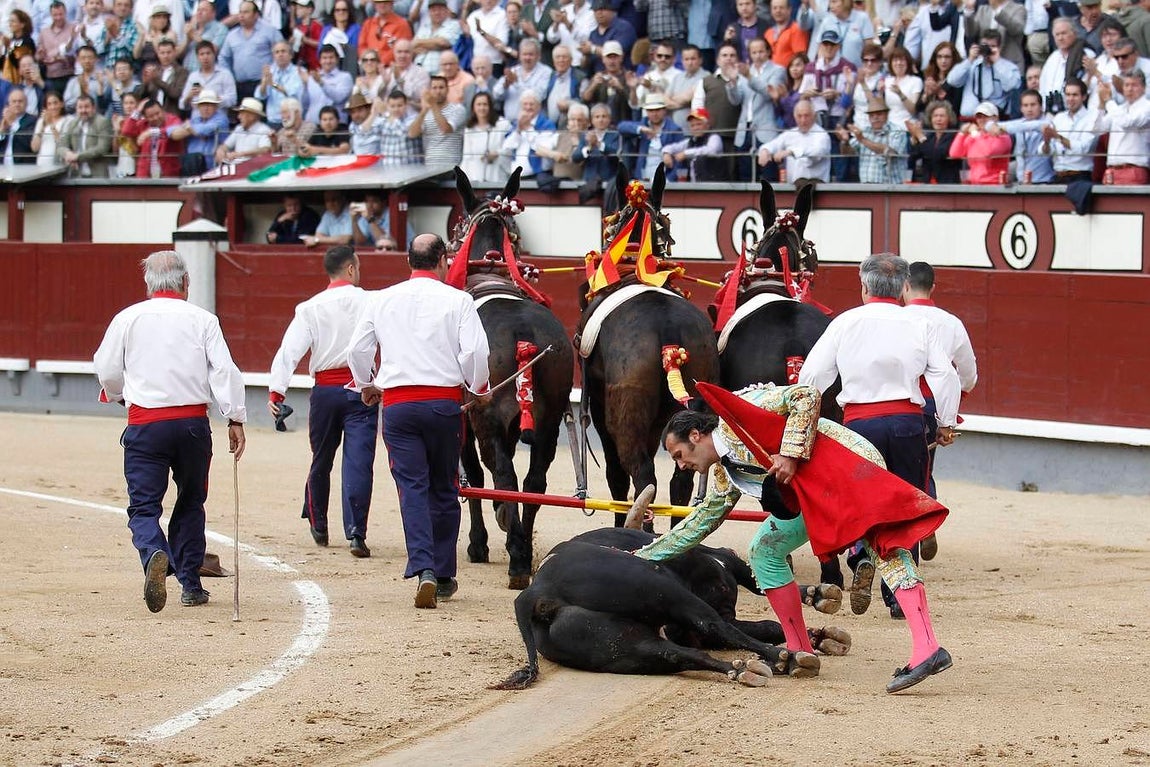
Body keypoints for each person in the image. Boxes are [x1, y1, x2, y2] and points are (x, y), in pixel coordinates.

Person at [630, 378, 953, 692]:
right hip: (809, 492)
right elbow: (700, 523)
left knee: (885, 549)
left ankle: (928, 649)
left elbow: (806, 395)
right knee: (765, 549)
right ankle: (800, 651)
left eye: (678, 455)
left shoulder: (744, 411)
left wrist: (789, 453)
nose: (682, 465)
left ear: (697, 435)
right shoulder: (724, 473)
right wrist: (639, 559)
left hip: (847, 465)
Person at [799, 252, 960, 620]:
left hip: (859, 425)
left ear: (864, 285)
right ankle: (899, 596)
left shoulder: (845, 323)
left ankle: (859, 556)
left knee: (860, 499)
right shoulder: (919, 324)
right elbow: (945, 376)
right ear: (904, 288)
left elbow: (811, 377)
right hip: (906, 423)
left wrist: (803, 420)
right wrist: (946, 422)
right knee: (905, 506)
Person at [93, 249, 247, 613]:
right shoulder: (203, 319)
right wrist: (235, 417)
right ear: (186, 283)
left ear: (148, 284)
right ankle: (191, 585)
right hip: (193, 424)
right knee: (191, 500)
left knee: (144, 507)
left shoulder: (128, 318)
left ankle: (154, 553)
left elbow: (108, 369)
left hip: (146, 424)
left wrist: (119, 396)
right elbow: (225, 371)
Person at [346, 233, 490, 609]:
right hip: (443, 405)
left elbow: (357, 349)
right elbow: (475, 350)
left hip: (398, 406)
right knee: (444, 487)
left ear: (408, 261)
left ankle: (423, 567)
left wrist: (367, 384)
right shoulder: (459, 300)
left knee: (412, 487)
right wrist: (477, 386)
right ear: (442, 259)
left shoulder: (381, 299)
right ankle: (443, 574)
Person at [268, 245, 377, 557]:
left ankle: (319, 523)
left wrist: (277, 390)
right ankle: (356, 533)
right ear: (352, 269)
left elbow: (289, 351)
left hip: (325, 392)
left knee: (322, 457)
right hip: (362, 390)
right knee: (358, 461)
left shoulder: (310, 307)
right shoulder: (371, 301)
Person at [902, 260, 977, 559]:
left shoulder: (894, 318)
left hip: (897, 403)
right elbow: (968, 372)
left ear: (904, 287)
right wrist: (958, 401)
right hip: (933, 406)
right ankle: (926, 516)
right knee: (923, 465)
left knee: (891, 467)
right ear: (932, 287)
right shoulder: (951, 322)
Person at [946, 30, 1022, 119]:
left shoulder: (1008, 67)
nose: (988, 49)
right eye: (985, 45)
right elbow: (952, 80)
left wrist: (997, 63)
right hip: (969, 120)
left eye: (992, 46)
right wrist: (970, 59)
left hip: (996, 120)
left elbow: (1013, 85)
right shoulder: (971, 65)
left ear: (999, 48)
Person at [757, 97, 832, 183]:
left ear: (814, 116)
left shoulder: (822, 135)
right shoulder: (790, 134)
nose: (803, 120)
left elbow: (818, 152)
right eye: (799, 116)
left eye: (806, 116)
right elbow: (774, 144)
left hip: (816, 188)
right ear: (794, 117)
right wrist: (765, 150)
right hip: (792, 188)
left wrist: (791, 151)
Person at [836, 97, 909, 184]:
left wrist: (863, 140)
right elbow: (847, 153)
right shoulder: (865, 131)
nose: (875, 118)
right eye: (871, 115)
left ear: (887, 114)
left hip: (890, 187)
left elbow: (891, 153)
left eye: (879, 114)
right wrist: (845, 141)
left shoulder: (897, 131)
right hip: (866, 186)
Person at [1040, 78, 1101, 181]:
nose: (1070, 99)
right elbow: (1046, 152)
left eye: (1075, 95)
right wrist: (1046, 141)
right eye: (1068, 95)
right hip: (1058, 175)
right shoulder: (1059, 118)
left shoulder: (1092, 117)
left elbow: (1083, 148)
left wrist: (1057, 136)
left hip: (1080, 177)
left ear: (1084, 97)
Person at [1097, 69, 1150, 184]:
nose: (1130, 89)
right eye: (1126, 85)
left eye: (1134, 85)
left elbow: (1126, 123)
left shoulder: (1147, 107)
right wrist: (1101, 104)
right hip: (1111, 171)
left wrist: (1109, 101)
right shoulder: (1119, 108)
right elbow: (1098, 130)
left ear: (1144, 88)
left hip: (1134, 170)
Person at [618, 92, 683, 180]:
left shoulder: (674, 129)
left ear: (664, 110)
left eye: (657, 110)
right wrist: (641, 129)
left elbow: (680, 160)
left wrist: (669, 180)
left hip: (664, 178)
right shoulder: (643, 124)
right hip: (643, 177)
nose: (654, 114)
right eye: (651, 111)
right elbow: (621, 126)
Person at [407, 73, 466, 164]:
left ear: (447, 90)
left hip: (451, 166)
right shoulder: (426, 113)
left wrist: (433, 105)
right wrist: (424, 111)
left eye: (441, 88)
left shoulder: (458, 109)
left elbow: (445, 129)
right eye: (434, 88)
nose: (438, 91)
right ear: (430, 91)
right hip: (430, 165)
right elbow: (412, 134)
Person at [948, 100, 1012, 184]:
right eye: (979, 117)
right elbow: (954, 154)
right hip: (975, 185)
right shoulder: (975, 136)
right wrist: (961, 134)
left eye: (986, 116)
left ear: (995, 118)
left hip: (995, 186)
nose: (982, 120)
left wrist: (975, 134)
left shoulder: (1003, 137)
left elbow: (987, 153)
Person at [171, 88, 230, 172]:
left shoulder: (221, 119)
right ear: (198, 107)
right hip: (191, 165)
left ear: (216, 107)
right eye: (203, 105)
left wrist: (188, 128)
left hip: (213, 167)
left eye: (209, 105)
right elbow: (173, 133)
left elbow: (205, 130)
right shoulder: (195, 120)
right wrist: (190, 130)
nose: (206, 108)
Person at [56, 94, 113, 177]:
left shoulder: (102, 122)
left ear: (93, 108)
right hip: (77, 174)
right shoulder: (73, 123)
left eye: (86, 107)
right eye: (80, 107)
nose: (83, 110)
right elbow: (60, 146)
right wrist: (67, 154)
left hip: (97, 175)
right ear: (76, 109)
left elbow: (102, 148)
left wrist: (78, 157)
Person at [907, 99, 961, 184]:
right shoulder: (930, 137)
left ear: (949, 118)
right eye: (935, 116)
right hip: (928, 183)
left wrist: (920, 136)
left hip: (947, 184)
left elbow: (938, 154)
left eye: (942, 116)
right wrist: (914, 138)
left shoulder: (953, 136)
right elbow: (912, 158)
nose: (938, 119)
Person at [662, 105, 723, 181]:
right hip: (694, 186)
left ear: (707, 125)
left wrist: (686, 153)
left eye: (699, 124)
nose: (695, 128)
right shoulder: (691, 140)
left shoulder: (714, 137)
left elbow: (711, 150)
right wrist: (666, 153)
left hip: (714, 186)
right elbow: (674, 147)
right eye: (692, 125)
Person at [963, 0, 1026, 72]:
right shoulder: (983, 9)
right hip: (986, 65)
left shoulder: (1019, 9)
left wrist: (997, 10)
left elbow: (1016, 29)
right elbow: (970, 32)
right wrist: (969, 10)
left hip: (1009, 64)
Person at [460, 90, 510, 181]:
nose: (482, 108)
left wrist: (497, 153)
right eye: (478, 104)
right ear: (473, 108)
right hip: (475, 176)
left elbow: (509, 149)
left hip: (497, 175)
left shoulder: (503, 124)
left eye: (485, 104)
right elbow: (467, 157)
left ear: (490, 106)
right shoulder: (469, 128)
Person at [214, 96, 273, 164]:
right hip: (235, 166)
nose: (239, 117)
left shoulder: (264, 130)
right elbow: (226, 145)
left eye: (242, 113)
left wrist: (241, 154)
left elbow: (265, 150)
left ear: (252, 116)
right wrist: (221, 150)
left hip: (254, 169)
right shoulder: (239, 128)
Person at [31, 90, 71, 167]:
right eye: (49, 104)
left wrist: (51, 125)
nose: (53, 107)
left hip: (59, 164)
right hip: (41, 164)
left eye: (55, 103)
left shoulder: (68, 120)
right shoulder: (41, 121)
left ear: (62, 104)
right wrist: (43, 126)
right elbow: (34, 148)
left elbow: (63, 144)